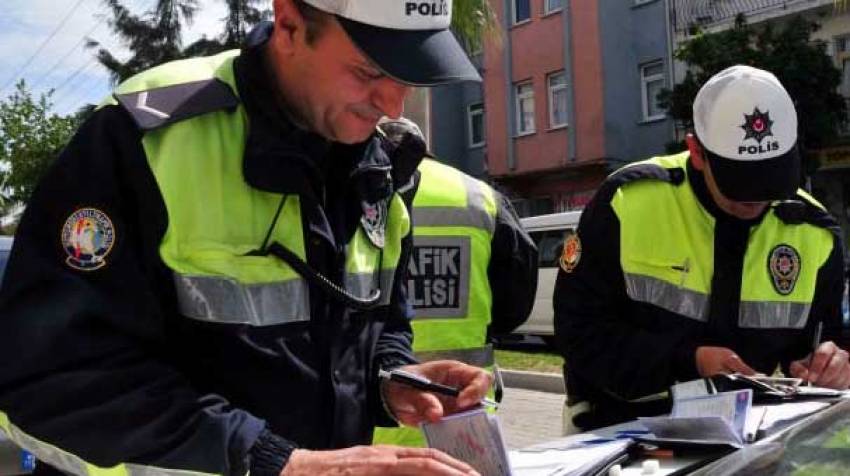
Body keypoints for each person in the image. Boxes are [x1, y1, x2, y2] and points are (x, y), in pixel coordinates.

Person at [0, 1, 495, 475]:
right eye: (368, 71)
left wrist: (391, 379)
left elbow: (379, 322)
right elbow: (50, 378)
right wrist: (272, 460)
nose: (392, 103)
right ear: (289, 24)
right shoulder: (148, 137)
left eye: (407, 77)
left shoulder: (376, 161)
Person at [554, 65, 850, 433]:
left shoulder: (813, 232)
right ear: (696, 151)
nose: (756, 199)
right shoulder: (627, 203)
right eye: (740, 182)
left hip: (747, 439)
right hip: (621, 429)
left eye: (771, 179)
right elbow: (577, 331)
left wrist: (831, 364)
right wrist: (688, 360)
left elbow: (826, 340)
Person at [372, 119, 539, 446]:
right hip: (459, 418)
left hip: (370, 425)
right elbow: (515, 306)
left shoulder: (352, 190)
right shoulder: (480, 197)